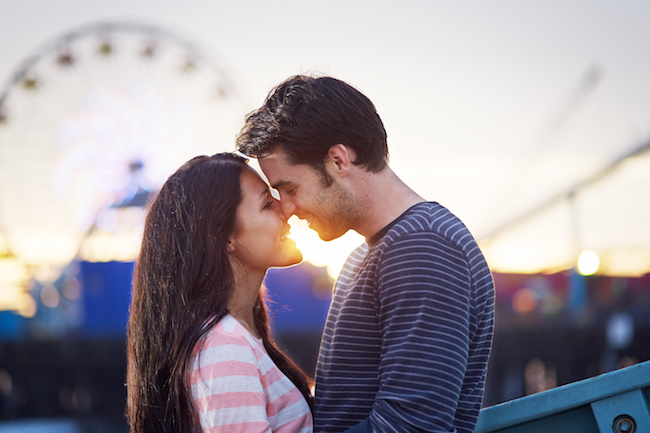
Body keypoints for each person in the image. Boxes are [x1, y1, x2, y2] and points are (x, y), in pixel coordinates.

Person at [236, 75, 495, 433]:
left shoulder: (423, 249)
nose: (288, 209)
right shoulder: (374, 253)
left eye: (290, 188)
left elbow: (412, 428)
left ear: (339, 161)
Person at [126, 153, 313, 433]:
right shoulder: (224, 346)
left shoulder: (237, 338)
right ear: (226, 237)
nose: (285, 208)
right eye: (266, 204)